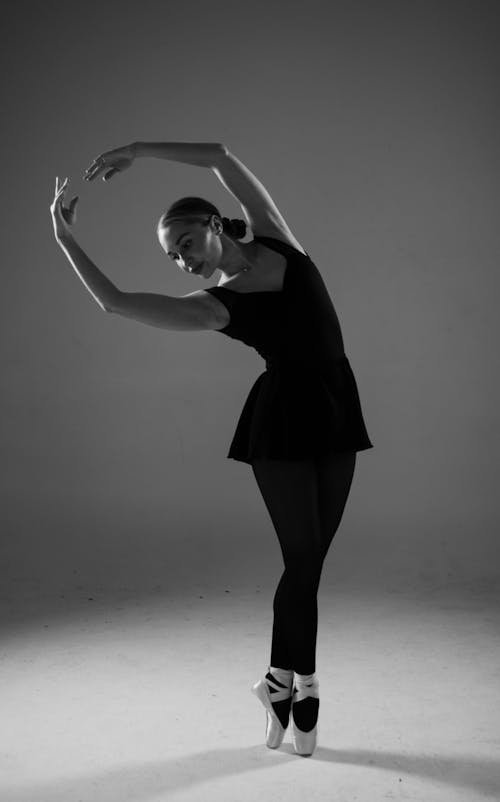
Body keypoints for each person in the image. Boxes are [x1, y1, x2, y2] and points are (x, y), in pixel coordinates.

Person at [50, 141, 374, 757]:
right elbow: (115, 302)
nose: (182, 262)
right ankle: (303, 688)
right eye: (171, 257)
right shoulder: (215, 307)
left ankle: (277, 682)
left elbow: (221, 156)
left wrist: (139, 150)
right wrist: (65, 239)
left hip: (336, 407)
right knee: (302, 557)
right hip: (280, 424)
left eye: (186, 246)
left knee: (311, 563)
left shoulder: (278, 237)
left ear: (213, 224)